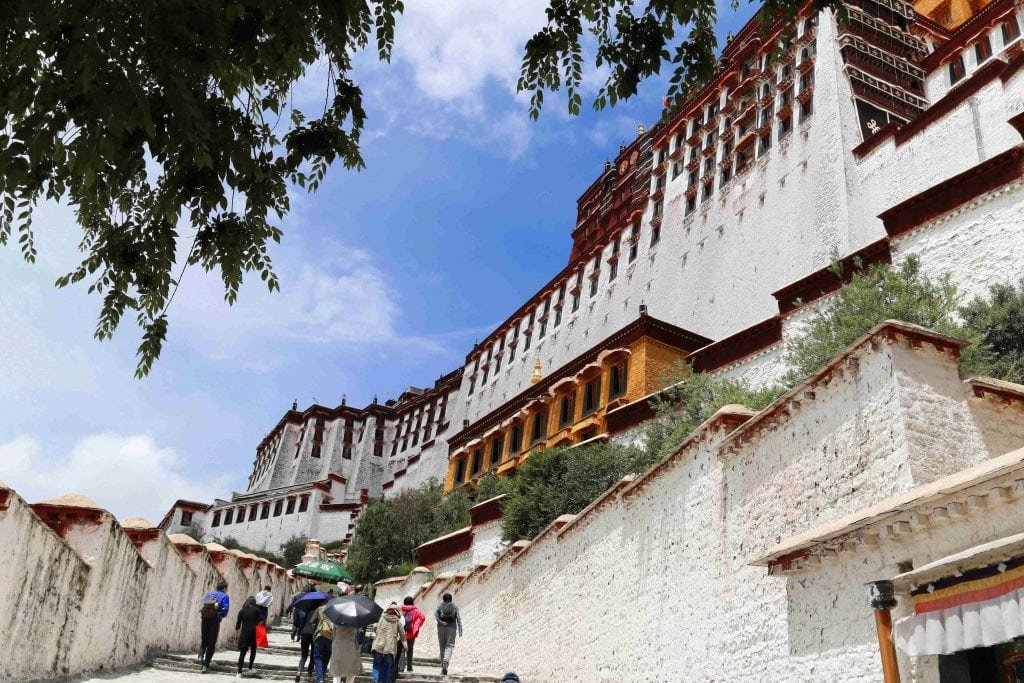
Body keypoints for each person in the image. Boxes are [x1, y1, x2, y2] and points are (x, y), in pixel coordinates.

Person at [199, 580, 230, 673]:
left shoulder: (209, 594)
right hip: (214, 621)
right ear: (224, 588)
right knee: (211, 643)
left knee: (204, 639)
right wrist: (219, 616)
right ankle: (206, 664)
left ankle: (201, 656)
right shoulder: (225, 596)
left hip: (204, 619)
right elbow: (225, 609)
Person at [370, 603, 403, 683]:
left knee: (376, 666)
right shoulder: (398, 621)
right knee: (387, 667)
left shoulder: (381, 618)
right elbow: (402, 633)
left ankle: (375, 680)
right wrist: (405, 644)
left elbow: (375, 627)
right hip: (390, 648)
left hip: (378, 645)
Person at [235, 597, 264, 678]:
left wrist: (236, 637)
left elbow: (237, 626)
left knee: (242, 653)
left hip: (244, 634)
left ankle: (239, 672)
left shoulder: (242, 611)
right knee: (253, 650)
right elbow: (261, 621)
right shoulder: (257, 610)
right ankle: (250, 668)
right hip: (254, 633)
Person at [434, 594, 462, 676]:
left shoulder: (440, 605)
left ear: (443, 599)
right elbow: (458, 618)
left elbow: (435, 614)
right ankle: (445, 661)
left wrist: (441, 622)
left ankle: (443, 668)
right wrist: (460, 629)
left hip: (441, 628)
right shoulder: (455, 606)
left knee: (442, 647)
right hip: (452, 628)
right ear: (451, 599)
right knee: (449, 646)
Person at [296, 601, 322, 682]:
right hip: (313, 635)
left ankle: (299, 672)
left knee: (304, 655)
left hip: (305, 633)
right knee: (313, 656)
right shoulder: (319, 611)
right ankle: (309, 675)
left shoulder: (307, 611)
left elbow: (302, 623)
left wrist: (299, 633)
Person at [399, 597, 425, 674]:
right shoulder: (415, 610)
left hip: (401, 632)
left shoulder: (400, 610)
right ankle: (409, 667)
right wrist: (417, 625)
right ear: (412, 602)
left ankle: (401, 667)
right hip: (411, 633)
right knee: (410, 650)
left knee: (401, 650)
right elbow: (422, 618)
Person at [311, 603, 335, 683]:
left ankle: (320, 678)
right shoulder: (335, 610)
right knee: (326, 657)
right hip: (331, 637)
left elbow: (312, 621)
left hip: (320, 634)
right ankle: (322, 676)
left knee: (318, 657)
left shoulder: (320, 608)